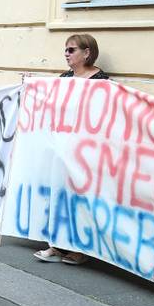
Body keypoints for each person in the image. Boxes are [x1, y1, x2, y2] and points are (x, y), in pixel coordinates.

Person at [34, 33, 108, 266]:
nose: (66, 54)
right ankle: (56, 245)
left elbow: (102, 114)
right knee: (59, 195)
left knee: (80, 199)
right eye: (66, 50)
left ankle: (79, 249)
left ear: (87, 53)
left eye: (71, 50)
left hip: (85, 150)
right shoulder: (64, 77)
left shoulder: (101, 81)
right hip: (62, 147)